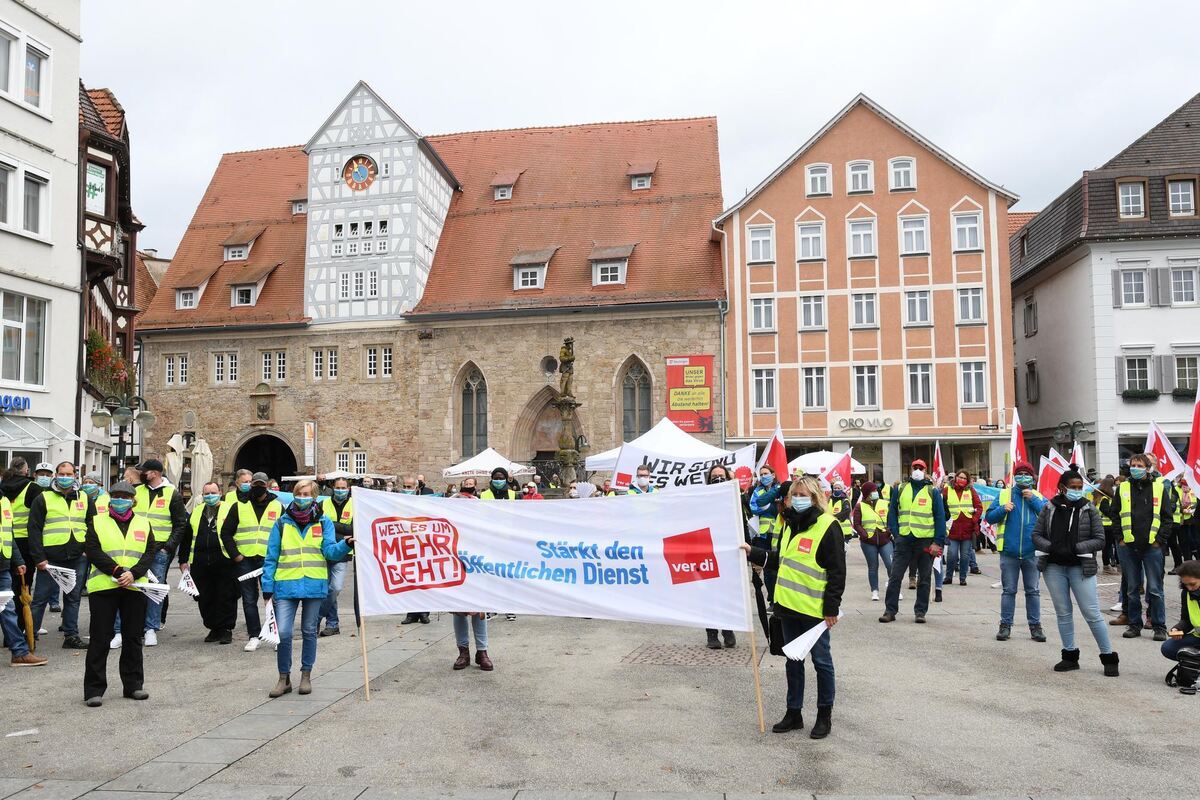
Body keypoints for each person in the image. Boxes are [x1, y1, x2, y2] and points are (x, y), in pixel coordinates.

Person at [744, 476, 844, 739]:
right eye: (794, 494)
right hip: (787, 607)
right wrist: (751, 551)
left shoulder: (827, 525)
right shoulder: (790, 525)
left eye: (803, 494)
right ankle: (794, 712)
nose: (797, 498)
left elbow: (837, 572)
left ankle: (824, 715)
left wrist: (831, 608)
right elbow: (782, 560)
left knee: (822, 663)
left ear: (815, 497)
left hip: (815, 612)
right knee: (793, 661)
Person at [262, 479, 352, 697]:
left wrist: (345, 545)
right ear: (294, 495)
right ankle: (284, 678)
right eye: (298, 493)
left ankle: (305, 675)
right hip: (286, 584)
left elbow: (329, 552)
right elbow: (271, 556)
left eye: (306, 494)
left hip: (314, 583)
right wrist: (267, 585)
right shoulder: (282, 523)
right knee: (283, 633)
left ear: (314, 496)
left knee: (309, 631)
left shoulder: (323, 522)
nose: (302, 497)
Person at [1032, 465, 1119, 677]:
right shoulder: (1049, 508)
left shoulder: (1089, 509)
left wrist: (1076, 548)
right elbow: (1036, 535)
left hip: (1081, 568)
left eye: (1080, 487)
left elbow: (1100, 539)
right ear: (1062, 487)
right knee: (1063, 613)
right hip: (1053, 567)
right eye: (1073, 487)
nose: (1077, 490)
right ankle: (1069, 656)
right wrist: (1051, 547)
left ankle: (1108, 657)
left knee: (1092, 613)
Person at [83, 481, 154, 706]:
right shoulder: (97, 521)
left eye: (125, 496)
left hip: (134, 586)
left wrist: (134, 573)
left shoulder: (144, 522)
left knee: (133, 637)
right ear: (110, 498)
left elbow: (149, 552)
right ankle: (94, 690)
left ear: (133, 500)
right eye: (116, 496)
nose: (120, 500)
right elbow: (93, 550)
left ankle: (133, 686)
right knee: (100, 638)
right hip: (104, 586)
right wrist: (116, 571)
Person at [1108, 453, 1175, 641]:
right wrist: (1120, 537)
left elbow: (1167, 517)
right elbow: (1115, 515)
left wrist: (1159, 540)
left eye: (1139, 465)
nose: (1135, 468)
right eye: (1132, 465)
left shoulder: (1159, 488)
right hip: (1127, 546)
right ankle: (1134, 624)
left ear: (1147, 468)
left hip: (1152, 546)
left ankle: (1159, 626)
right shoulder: (1122, 488)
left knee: (1155, 588)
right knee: (1132, 588)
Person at [28, 461, 92, 649]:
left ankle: (71, 636)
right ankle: (30, 636)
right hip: (50, 557)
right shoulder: (43, 498)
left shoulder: (85, 498)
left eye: (69, 474)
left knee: (73, 598)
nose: (65, 478)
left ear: (75, 476)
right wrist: (39, 558)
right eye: (62, 474)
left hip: (77, 555)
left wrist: (88, 549)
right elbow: (34, 530)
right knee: (40, 598)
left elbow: (93, 524)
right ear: (56, 475)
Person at [220, 471, 285, 652]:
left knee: (273, 598)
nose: (257, 488)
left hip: (269, 560)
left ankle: (275, 635)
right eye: (254, 484)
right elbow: (225, 533)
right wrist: (236, 555)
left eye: (261, 485)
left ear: (267, 486)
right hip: (245, 560)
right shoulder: (238, 506)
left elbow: (286, 534)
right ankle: (254, 635)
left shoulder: (277, 507)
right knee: (249, 599)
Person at [983, 460, 1047, 642]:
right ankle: (1005, 626)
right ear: (1015, 476)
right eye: (1020, 473)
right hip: (1009, 552)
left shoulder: (1037, 495)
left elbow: (1048, 514)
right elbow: (989, 517)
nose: (1023, 476)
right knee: (1009, 591)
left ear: (1032, 477)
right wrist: (1003, 509)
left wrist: (1033, 500)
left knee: (1033, 591)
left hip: (1031, 552)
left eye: (1027, 474)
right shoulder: (1005, 494)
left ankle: (1035, 627)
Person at [127, 459, 186, 647]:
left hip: (159, 548)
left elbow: (180, 523)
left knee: (155, 587)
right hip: (136, 546)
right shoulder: (137, 492)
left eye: (144, 472)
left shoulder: (172, 494)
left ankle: (151, 627)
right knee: (134, 585)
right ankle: (136, 625)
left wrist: (168, 547)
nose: (141, 474)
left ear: (154, 473)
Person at [880, 459, 947, 624]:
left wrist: (937, 542)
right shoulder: (901, 489)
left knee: (924, 578)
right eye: (915, 467)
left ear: (925, 470)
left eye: (920, 468)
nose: (917, 470)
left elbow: (940, 518)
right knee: (895, 576)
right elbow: (892, 512)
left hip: (925, 541)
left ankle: (920, 612)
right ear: (911, 469)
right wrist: (895, 533)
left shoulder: (932, 491)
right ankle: (890, 610)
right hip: (903, 540)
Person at [180, 481, 237, 644]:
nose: (210, 496)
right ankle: (213, 627)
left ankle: (226, 629)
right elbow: (187, 538)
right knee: (204, 597)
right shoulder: (196, 512)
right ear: (202, 495)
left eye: (213, 492)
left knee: (226, 596)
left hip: (224, 559)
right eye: (207, 493)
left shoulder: (229, 509)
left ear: (220, 492)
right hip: (200, 561)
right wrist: (183, 560)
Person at [1, 489, 46, 665]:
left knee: (8, 610)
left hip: (3, 566)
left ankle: (19, 652)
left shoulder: (4, 500)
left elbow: (7, 534)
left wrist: (17, 560)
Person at [2, 458, 44, 618]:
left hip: (4, 542)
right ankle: (20, 627)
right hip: (26, 544)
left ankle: (9, 627)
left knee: (5, 586)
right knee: (23, 586)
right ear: (27, 471)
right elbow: (39, 518)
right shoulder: (34, 488)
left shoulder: (2, 486)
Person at [703, 465, 738, 649]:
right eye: (714, 476)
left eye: (721, 476)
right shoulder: (702, 500)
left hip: (729, 554)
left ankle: (728, 629)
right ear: (709, 479)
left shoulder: (735, 500)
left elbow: (742, 524)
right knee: (710, 595)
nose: (718, 479)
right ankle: (712, 634)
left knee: (728, 594)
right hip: (708, 553)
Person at [318, 477, 354, 637]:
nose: (340, 490)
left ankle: (316, 617)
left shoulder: (355, 504)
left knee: (335, 588)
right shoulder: (322, 504)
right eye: (338, 487)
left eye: (343, 487)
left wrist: (331, 524)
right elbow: (318, 525)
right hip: (324, 551)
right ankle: (333, 624)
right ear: (333, 487)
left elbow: (354, 528)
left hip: (344, 553)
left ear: (348, 488)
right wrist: (343, 530)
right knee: (325, 589)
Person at [1163, 560, 1200, 693]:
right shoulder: (1187, 593)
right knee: (1168, 648)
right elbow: (1186, 619)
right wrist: (1177, 628)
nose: (1189, 588)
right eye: (1185, 584)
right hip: (1197, 637)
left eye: (1193, 584)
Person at [853, 481, 893, 601]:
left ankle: (894, 588)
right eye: (873, 491)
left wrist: (888, 532)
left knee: (891, 564)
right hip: (868, 542)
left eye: (876, 490)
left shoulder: (885, 503)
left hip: (884, 539)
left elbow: (891, 520)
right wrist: (865, 535)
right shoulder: (860, 506)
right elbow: (857, 524)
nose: (876, 493)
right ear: (866, 494)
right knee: (873, 566)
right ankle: (874, 591)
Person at [943, 470, 982, 587]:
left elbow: (979, 507)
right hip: (952, 528)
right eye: (960, 477)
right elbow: (940, 505)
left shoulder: (971, 490)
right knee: (952, 554)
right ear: (955, 477)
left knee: (965, 556)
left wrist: (973, 520)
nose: (962, 480)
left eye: (965, 478)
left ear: (968, 480)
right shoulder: (947, 489)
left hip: (967, 529)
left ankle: (962, 578)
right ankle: (948, 576)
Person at [748, 465, 782, 550]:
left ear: (773, 475)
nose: (763, 476)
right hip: (762, 533)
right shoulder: (757, 490)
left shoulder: (780, 488)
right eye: (761, 474)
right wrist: (769, 507)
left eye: (766, 473)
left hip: (779, 530)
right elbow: (753, 508)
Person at [1094, 477, 1120, 576]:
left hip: (1106, 526)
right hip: (1107, 526)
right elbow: (1107, 511)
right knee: (1108, 547)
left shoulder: (1101, 497)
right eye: (1113, 486)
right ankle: (1107, 566)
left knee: (1108, 547)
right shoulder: (1104, 499)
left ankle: (1109, 565)